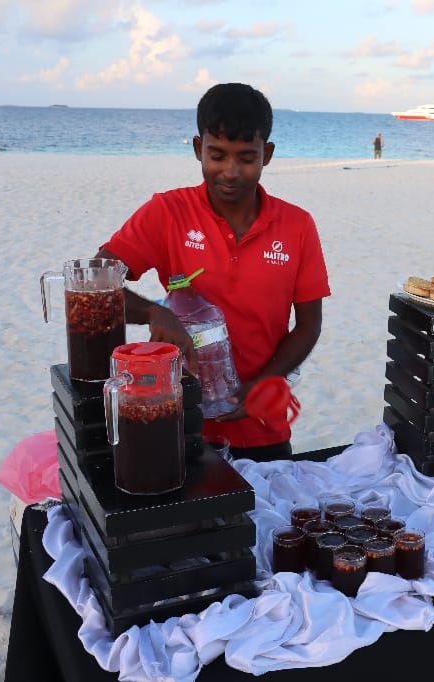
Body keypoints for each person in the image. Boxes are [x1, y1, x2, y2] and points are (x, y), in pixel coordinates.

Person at [96, 82, 331, 462]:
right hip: (180, 424)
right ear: (197, 149)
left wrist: (265, 381)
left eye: (247, 158)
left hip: (262, 427)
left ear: (267, 154)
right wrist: (155, 313)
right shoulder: (168, 212)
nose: (231, 172)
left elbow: (308, 325)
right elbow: (97, 282)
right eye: (217, 155)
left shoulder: (297, 226)